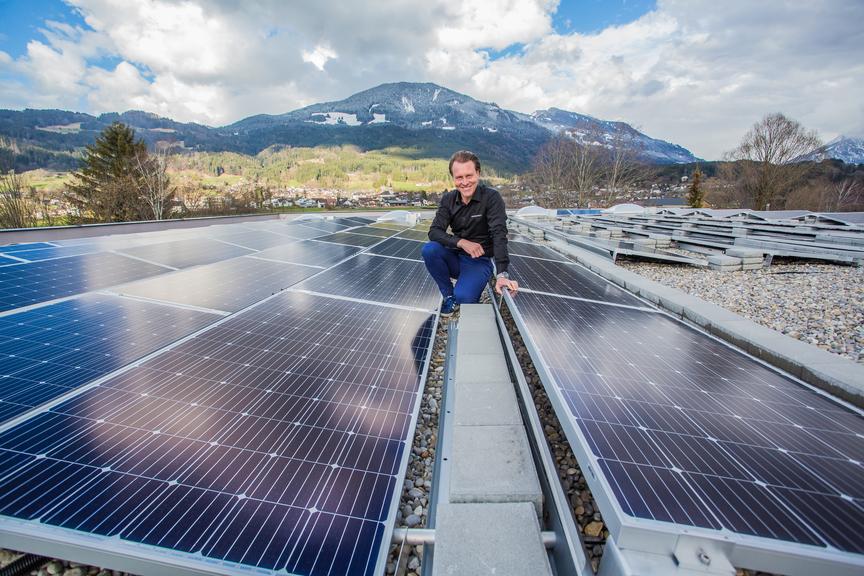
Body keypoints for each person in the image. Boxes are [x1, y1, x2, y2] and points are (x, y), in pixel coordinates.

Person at [422, 150, 519, 315]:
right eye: (459, 177)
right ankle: (448, 297)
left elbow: (499, 234)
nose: (465, 182)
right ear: (453, 178)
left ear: (478, 174)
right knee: (429, 249)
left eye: (469, 175)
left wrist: (502, 274)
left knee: (465, 298)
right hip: (455, 258)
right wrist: (461, 242)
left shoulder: (491, 198)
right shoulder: (448, 199)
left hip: (478, 262)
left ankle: (466, 289)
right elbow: (434, 231)